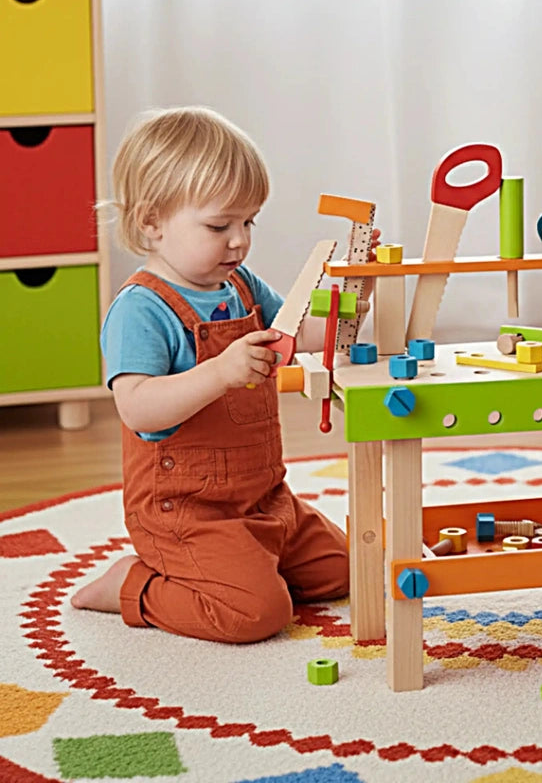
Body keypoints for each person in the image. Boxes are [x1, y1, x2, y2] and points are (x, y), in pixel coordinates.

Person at [71, 106, 375, 644]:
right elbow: (138, 408)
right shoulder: (141, 308)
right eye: (219, 225)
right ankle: (134, 584)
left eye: (248, 222)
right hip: (187, 511)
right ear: (151, 222)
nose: (239, 240)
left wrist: (353, 299)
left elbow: (302, 335)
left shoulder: (241, 285)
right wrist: (219, 373)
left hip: (264, 499)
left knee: (349, 570)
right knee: (256, 616)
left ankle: (241, 565)